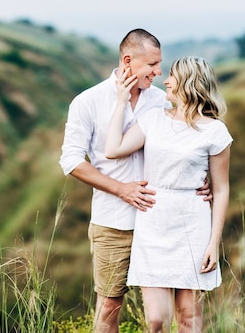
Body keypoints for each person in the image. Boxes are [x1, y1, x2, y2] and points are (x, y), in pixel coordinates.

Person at [59, 29, 212, 333]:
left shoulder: (162, 100)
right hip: (114, 222)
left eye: (160, 65)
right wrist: (122, 190)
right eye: (152, 65)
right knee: (109, 307)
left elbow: (189, 141)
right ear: (128, 61)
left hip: (161, 223)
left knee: (161, 317)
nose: (158, 72)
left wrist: (201, 180)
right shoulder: (88, 101)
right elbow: (71, 160)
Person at [104, 56, 232, 332]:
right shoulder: (152, 120)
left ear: (189, 83)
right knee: (157, 319)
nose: (165, 81)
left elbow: (221, 189)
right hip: (153, 221)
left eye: (172, 76)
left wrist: (213, 243)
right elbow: (112, 149)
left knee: (189, 318)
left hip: (192, 225)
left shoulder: (215, 131)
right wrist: (120, 102)